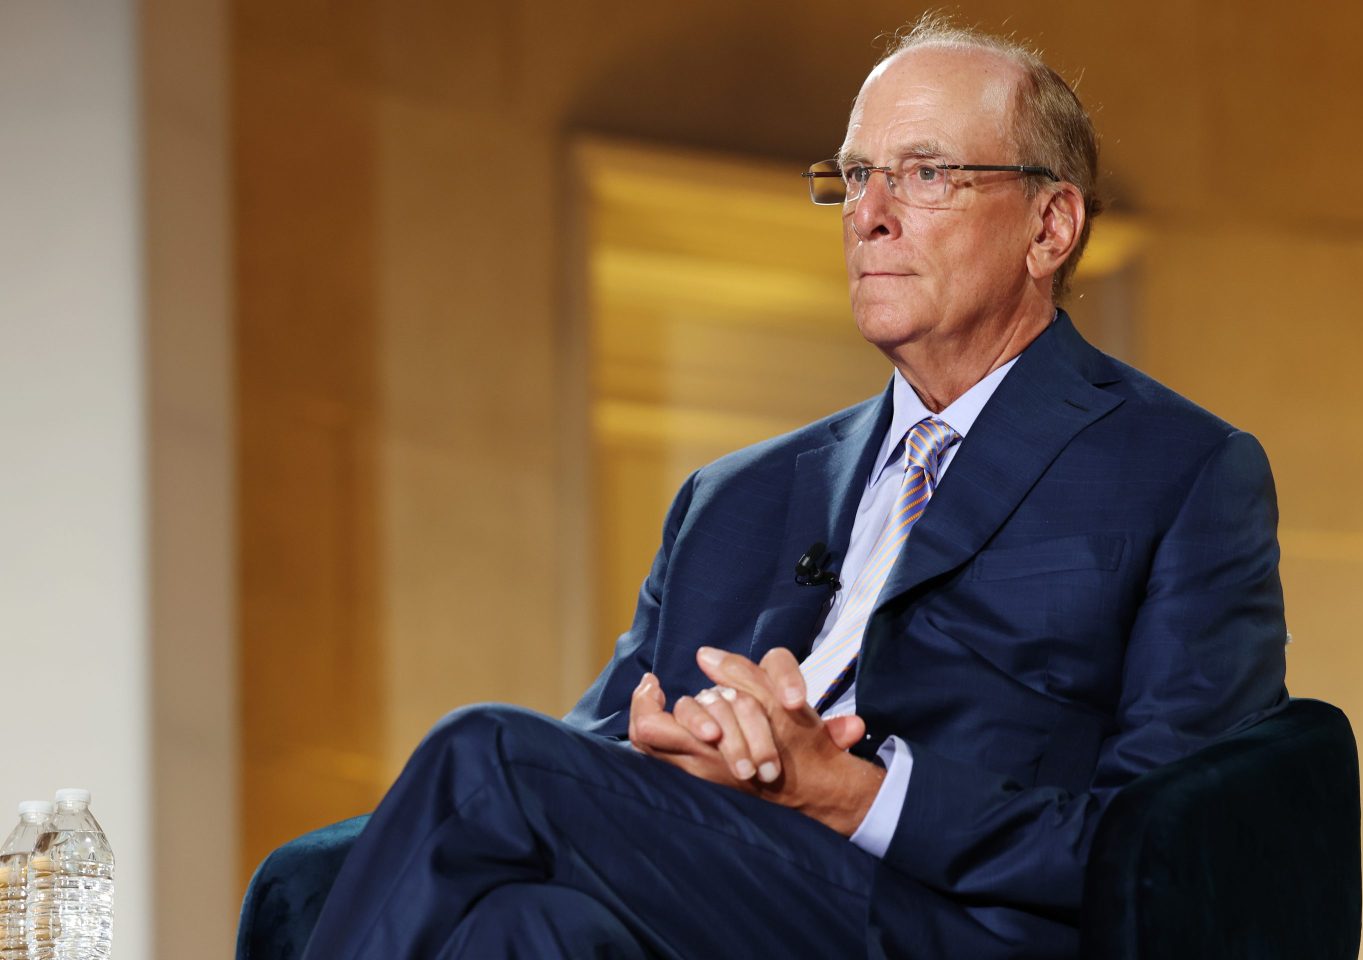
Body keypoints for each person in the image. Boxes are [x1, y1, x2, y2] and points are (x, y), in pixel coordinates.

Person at [302, 18, 1287, 960]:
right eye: (855, 176)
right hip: (721, 885)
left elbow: (1174, 847)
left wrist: (843, 791)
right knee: (523, 929)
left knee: (487, 757)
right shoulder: (734, 497)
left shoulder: (1181, 472)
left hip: (945, 923)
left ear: (1050, 224)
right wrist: (671, 749)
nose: (869, 214)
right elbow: (594, 746)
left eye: (926, 173)